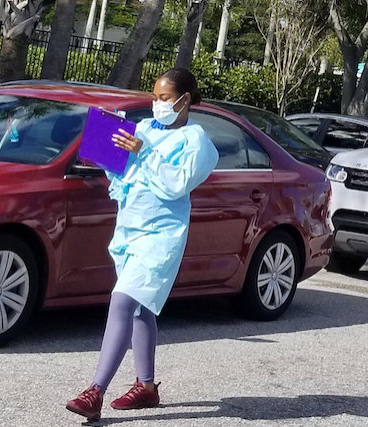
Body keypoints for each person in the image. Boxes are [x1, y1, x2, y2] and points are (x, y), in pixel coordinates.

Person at [66, 68, 218, 422]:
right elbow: (124, 177)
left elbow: (176, 184)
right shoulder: (146, 129)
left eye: (165, 99)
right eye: (154, 97)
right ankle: (146, 387)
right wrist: (106, 153)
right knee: (140, 308)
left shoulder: (197, 143)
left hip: (160, 237)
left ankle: (95, 392)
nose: (157, 105)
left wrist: (143, 152)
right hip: (129, 231)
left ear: (185, 100)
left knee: (122, 302)